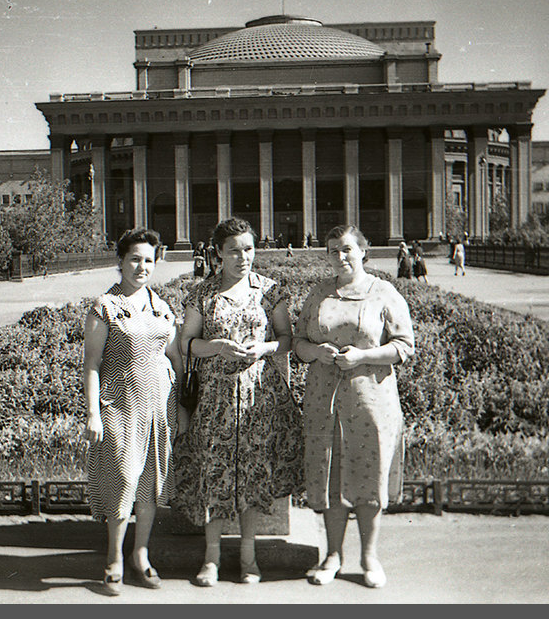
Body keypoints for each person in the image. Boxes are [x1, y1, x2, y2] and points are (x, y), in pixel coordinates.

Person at [170, 217, 304, 586]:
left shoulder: (269, 290)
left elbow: (285, 338)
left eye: (248, 249)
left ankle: (249, 557)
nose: (243, 257)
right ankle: (211, 558)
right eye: (233, 251)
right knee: (214, 471)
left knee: (252, 474)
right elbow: (187, 342)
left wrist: (263, 347)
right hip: (215, 397)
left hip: (259, 394)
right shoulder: (203, 293)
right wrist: (214, 347)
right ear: (217, 254)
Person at [293, 225, 415, 589]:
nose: (340, 256)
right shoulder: (319, 293)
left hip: (370, 400)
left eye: (347, 249)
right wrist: (315, 352)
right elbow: (298, 342)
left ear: (364, 251)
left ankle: (368, 557)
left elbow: (404, 345)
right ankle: (332, 555)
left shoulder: (383, 293)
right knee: (331, 476)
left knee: (369, 474)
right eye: (332, 250)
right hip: (324, 400)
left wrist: (363, 355)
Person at [83, 228, 182, 596]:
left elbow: (174, 356)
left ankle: (140, 555)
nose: (142, 267)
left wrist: (181, 404)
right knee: (123, 479)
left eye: (149, 260)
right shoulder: (104, 307)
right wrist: (93, 412)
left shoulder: (162, 306)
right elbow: (91, 364)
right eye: (135, 259)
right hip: (120, 405)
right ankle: (113, 557)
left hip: (159, 405)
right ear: (120, 262)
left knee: (151, 484)